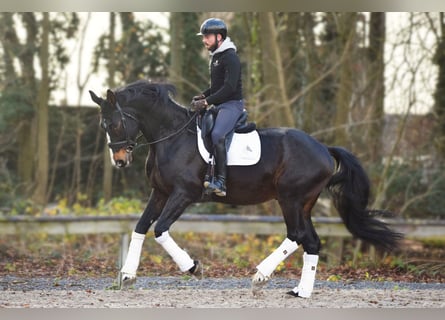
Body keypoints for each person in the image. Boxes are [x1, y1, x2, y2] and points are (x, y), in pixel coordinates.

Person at [191, 17, 244, 197]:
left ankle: (221, 181)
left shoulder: (230, 57)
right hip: (220, 104)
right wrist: (203, 95)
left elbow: (229, 88)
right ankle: (209, 172)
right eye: (203, 37)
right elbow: (216, 87)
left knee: (217, 134)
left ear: (219, 37)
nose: (204, 40)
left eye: (207, 36)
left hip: (232, 105)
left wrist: (207, 102)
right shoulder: (216, 57)